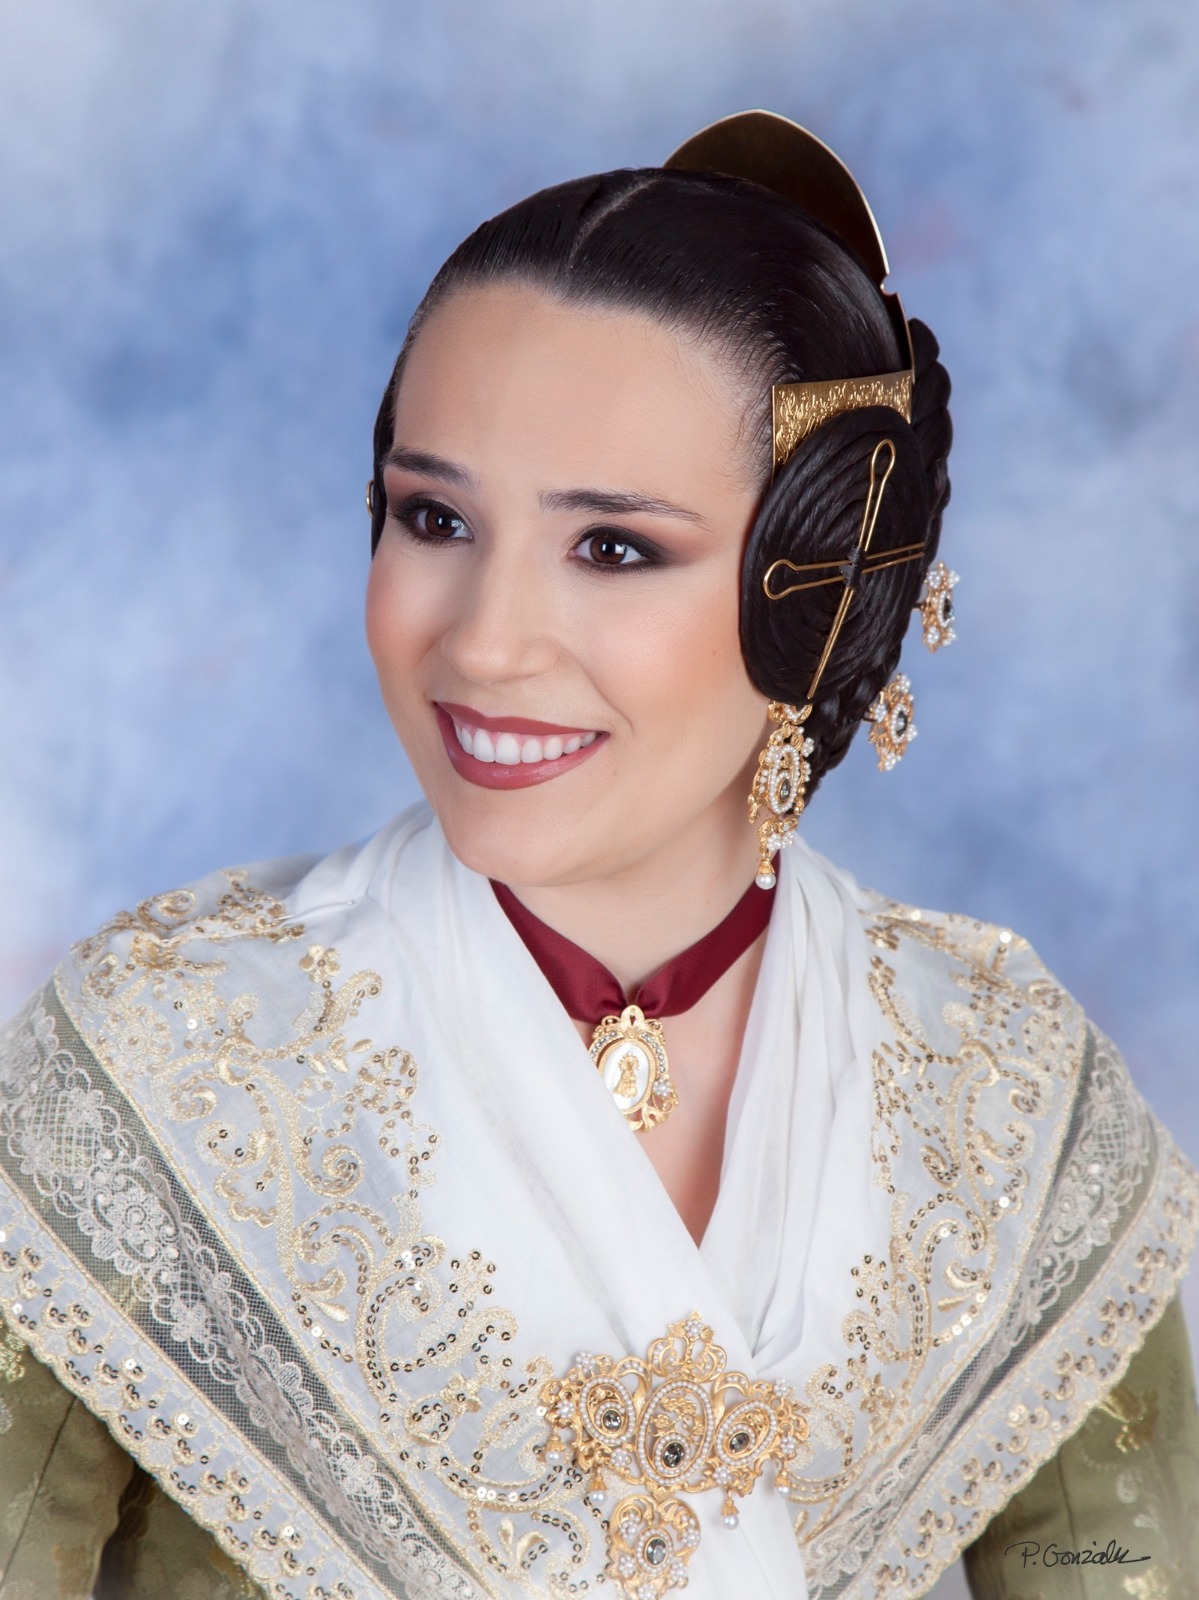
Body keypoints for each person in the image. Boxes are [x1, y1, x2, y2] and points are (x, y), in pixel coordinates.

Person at [0, 111, 1196, 1600]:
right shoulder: (162, 1064)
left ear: (823, 590)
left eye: (614, 547)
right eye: (434, 517)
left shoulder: (1005, 1095)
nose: (484, 642)